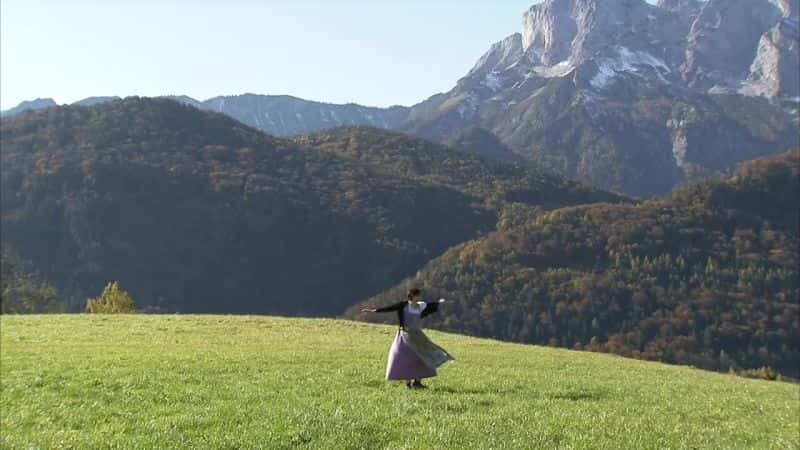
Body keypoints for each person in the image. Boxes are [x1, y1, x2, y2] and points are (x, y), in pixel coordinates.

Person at [362, 288, 454, 389]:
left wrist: (439, 303)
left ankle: (417, 382)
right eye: (417, 295)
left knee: (421, 357)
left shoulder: (421, 305)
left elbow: (431, 305)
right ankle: (408, 382)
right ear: (412, 296)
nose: (419, 297)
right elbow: (390, 308)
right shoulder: (403, 305)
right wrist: (374, 310)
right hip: (405, 335)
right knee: (406, 358)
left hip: (417, 335)